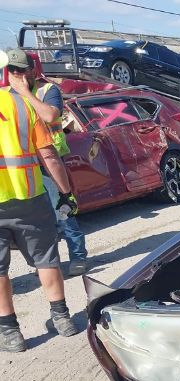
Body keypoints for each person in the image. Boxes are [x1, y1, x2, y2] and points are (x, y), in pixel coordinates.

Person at [0, 49, 80, 352]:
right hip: (30, 196)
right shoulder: (23, 105)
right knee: (46, 258)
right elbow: (48, 154)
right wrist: (65, 193)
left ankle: (10, 333)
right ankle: (62, 318)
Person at [3, 50, 88, 275]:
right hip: (23, 165)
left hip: (50, 160)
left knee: (62, 210)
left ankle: (78, 254)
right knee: (37, 219)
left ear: (32, 70)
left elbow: (51, 116)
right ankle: (48, 263)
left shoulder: (47, 90)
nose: (17, 74)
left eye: (22, 70)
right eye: (12, 70)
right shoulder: (6, 95)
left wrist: (25, 93)